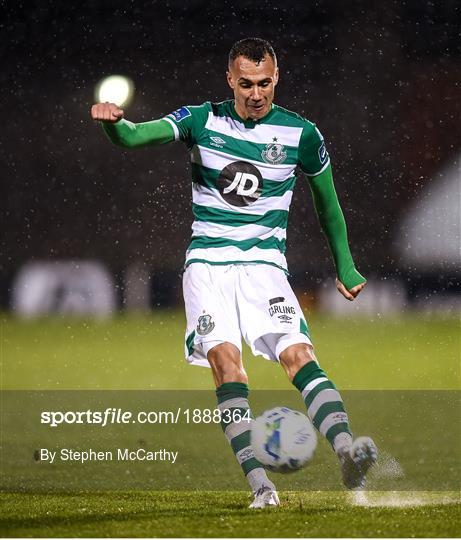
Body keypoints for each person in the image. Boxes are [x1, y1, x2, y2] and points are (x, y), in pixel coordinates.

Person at [91, 37, 377, 508]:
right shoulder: (200, 119)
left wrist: (344, 264)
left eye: (265, 83)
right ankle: (262, 487)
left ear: (276, 79)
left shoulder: (301, 134)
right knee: (226, 364)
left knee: (299, 356)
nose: (256, 93)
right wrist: (113, 126)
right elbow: (136, 136)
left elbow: (328, 204)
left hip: (265, 269)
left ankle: (347, 451)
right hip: (208, 267)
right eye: (246, 83)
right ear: (230, 79)